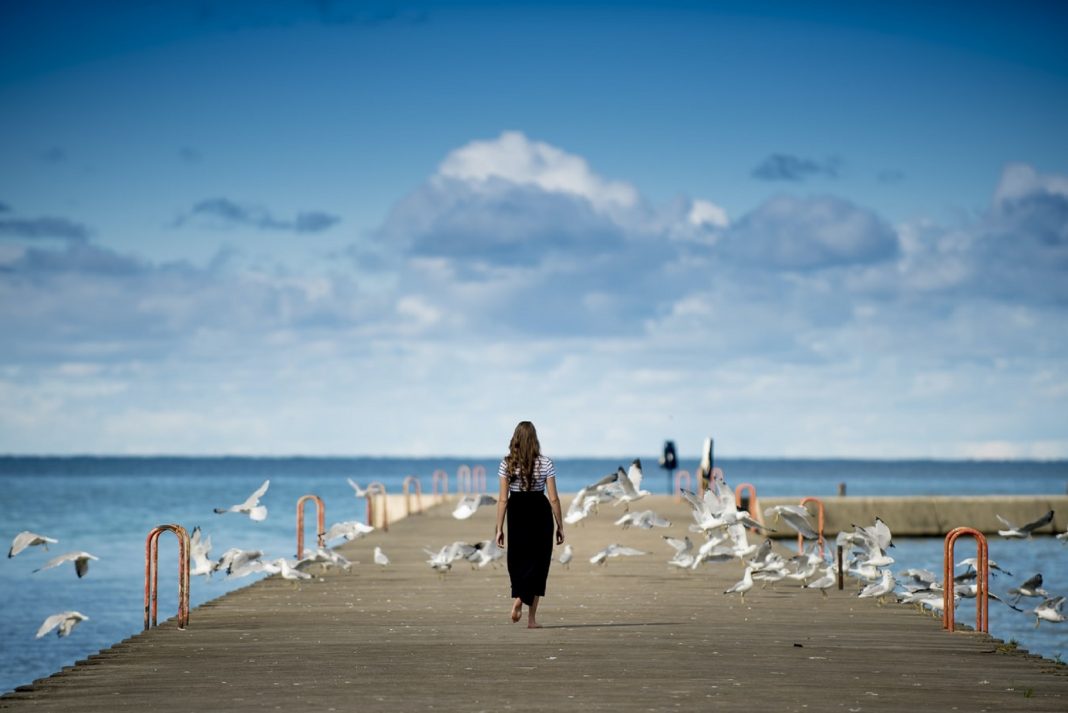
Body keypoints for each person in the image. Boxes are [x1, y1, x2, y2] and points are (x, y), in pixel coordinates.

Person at [494, 421, 565, 628]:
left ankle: (519, 597)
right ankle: (531, 619)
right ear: (535, 440)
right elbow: (553, 498)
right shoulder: (546, 463)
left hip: (517, 512)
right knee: (539, 564)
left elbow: (502, 499)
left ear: (515, 439)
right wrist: (560, 525)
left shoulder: (506, 463)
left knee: (518, 560)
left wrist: (499, 528)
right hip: (540, 512)